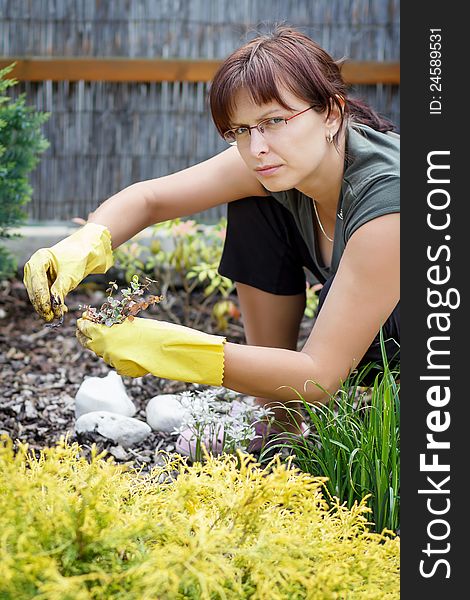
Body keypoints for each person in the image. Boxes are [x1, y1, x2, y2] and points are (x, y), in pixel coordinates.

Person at [23, 26, 399, 438]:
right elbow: (150, 199)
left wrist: (174, 350)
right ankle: (278, 420)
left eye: (274, 121)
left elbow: (319, 377)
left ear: (330, 112)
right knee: (255, 203)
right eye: (239, 130)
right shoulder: (281, 163)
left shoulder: (391, 203)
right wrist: (83, 245)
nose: (256, 147)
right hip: (378, 324)